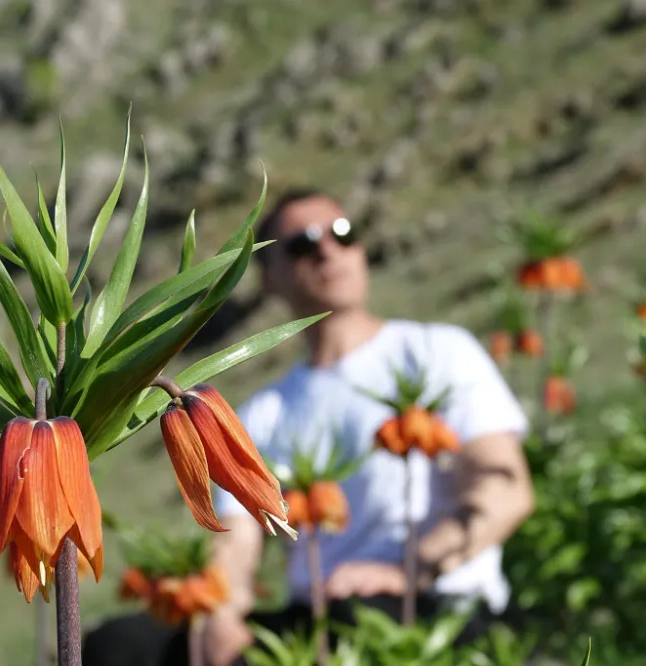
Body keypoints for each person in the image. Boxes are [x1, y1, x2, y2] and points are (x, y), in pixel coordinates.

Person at [82, 188, 535, 666]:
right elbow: (236, 544)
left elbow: (507, 491)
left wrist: (408, 569)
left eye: (343, 233)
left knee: (357, 614)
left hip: (433, 605)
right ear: (270, 279)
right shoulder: (263, 411)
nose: (326, 249)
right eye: (301, 244)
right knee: (122, 644)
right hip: (315, 616)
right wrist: (221, 612)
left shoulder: (437, 351)